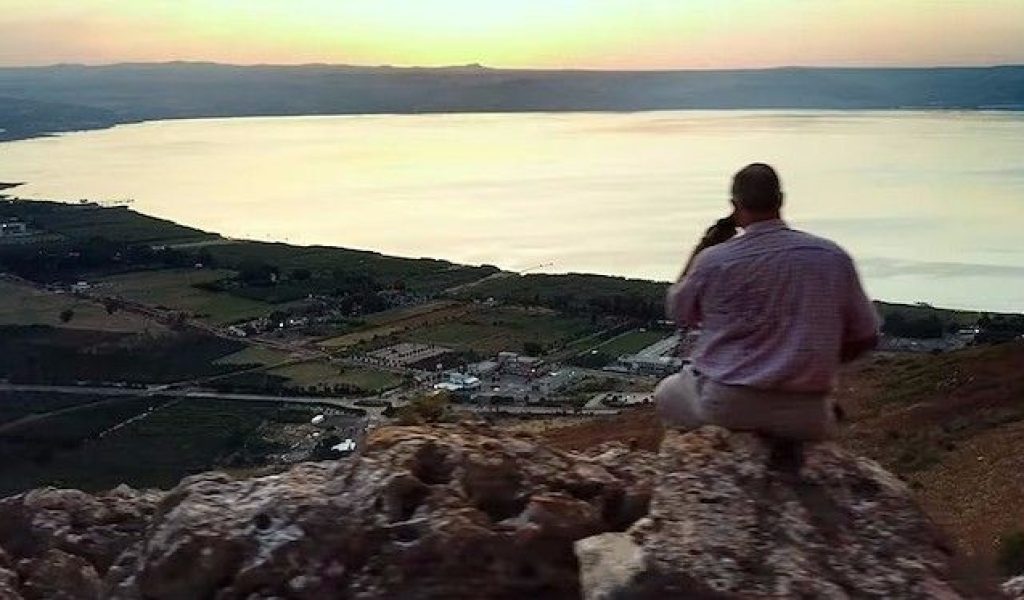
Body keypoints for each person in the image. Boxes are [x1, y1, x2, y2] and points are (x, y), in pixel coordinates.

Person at [655, 163, 880, 441]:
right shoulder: (832, 256)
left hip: (730, 406)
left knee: (667, 393)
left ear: (734, 206)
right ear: (781, 200)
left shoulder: (714, 260)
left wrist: (703, 247)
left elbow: (679, 311)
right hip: (807, 412)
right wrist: (817, 363)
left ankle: (708, 463)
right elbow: (866, 335)